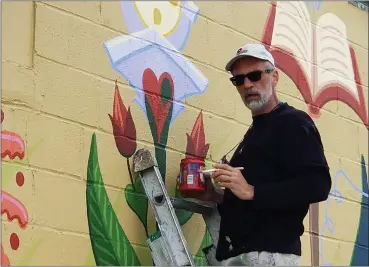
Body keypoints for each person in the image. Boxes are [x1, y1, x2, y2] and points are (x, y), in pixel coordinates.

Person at [182, 43, 332, 266]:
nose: (247, 84)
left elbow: (318, 185)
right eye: (238, 80)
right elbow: (252, 202)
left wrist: (252, 190)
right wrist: (216, 196)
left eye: (254, 75)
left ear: (274, 77)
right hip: (240, 254)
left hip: (268, 254)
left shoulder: (293, 122)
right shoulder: (255, 132)